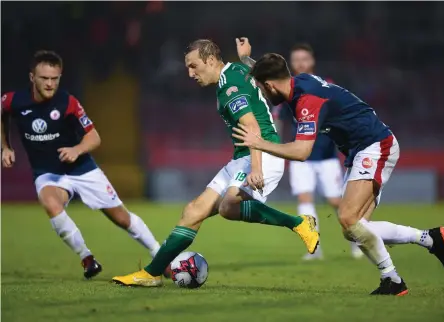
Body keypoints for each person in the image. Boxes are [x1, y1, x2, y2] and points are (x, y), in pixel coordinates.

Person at [232, 38, 444, 295]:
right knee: (356, 229)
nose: (262, 92)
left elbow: (302, 151)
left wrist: (259, 144)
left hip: (375, 145)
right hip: (360, 150)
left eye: (261, 87)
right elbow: (273, 73)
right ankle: (428, 239)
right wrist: (247, 61)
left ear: (269, 86)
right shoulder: (297, 81)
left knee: (348, 218)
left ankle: (393, 280)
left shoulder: (307, 102)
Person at [111, 39, 319, 287]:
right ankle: (151, 274)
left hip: (261, 154)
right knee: (192, 212)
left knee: (229, 207)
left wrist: (256, 168)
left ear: (210, 60)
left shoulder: (229, 84)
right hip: (242, 157)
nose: (190, 74)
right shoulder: (236, 71)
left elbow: (251, 127)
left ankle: (299, 223)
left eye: (193, 66)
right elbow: (259, 80)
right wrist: (245, 59)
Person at [1, 50, 161, 279]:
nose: (49, 83)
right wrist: (5, 146)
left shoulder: (68, 102)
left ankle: (159, 253)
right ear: (31, 77)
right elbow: (2, 112)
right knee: (50, 203)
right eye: (44, 78)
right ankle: (87, 258)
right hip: (48, 173)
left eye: (54, 78)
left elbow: (94, 136)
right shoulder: (14, 100)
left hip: (82, 169)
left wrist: (76, 150)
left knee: (122, 218)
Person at [272, 43, 362, 260]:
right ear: (291, 64)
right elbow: (279, 122)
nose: (301, 63)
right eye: (296, 59)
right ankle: (314, 248)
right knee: (305, 199)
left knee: (337, 202)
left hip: (326, 156)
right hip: (299, 156)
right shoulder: (287, 90)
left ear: (312, 61)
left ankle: (359, 240)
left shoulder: (326, 87)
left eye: (304, 58)